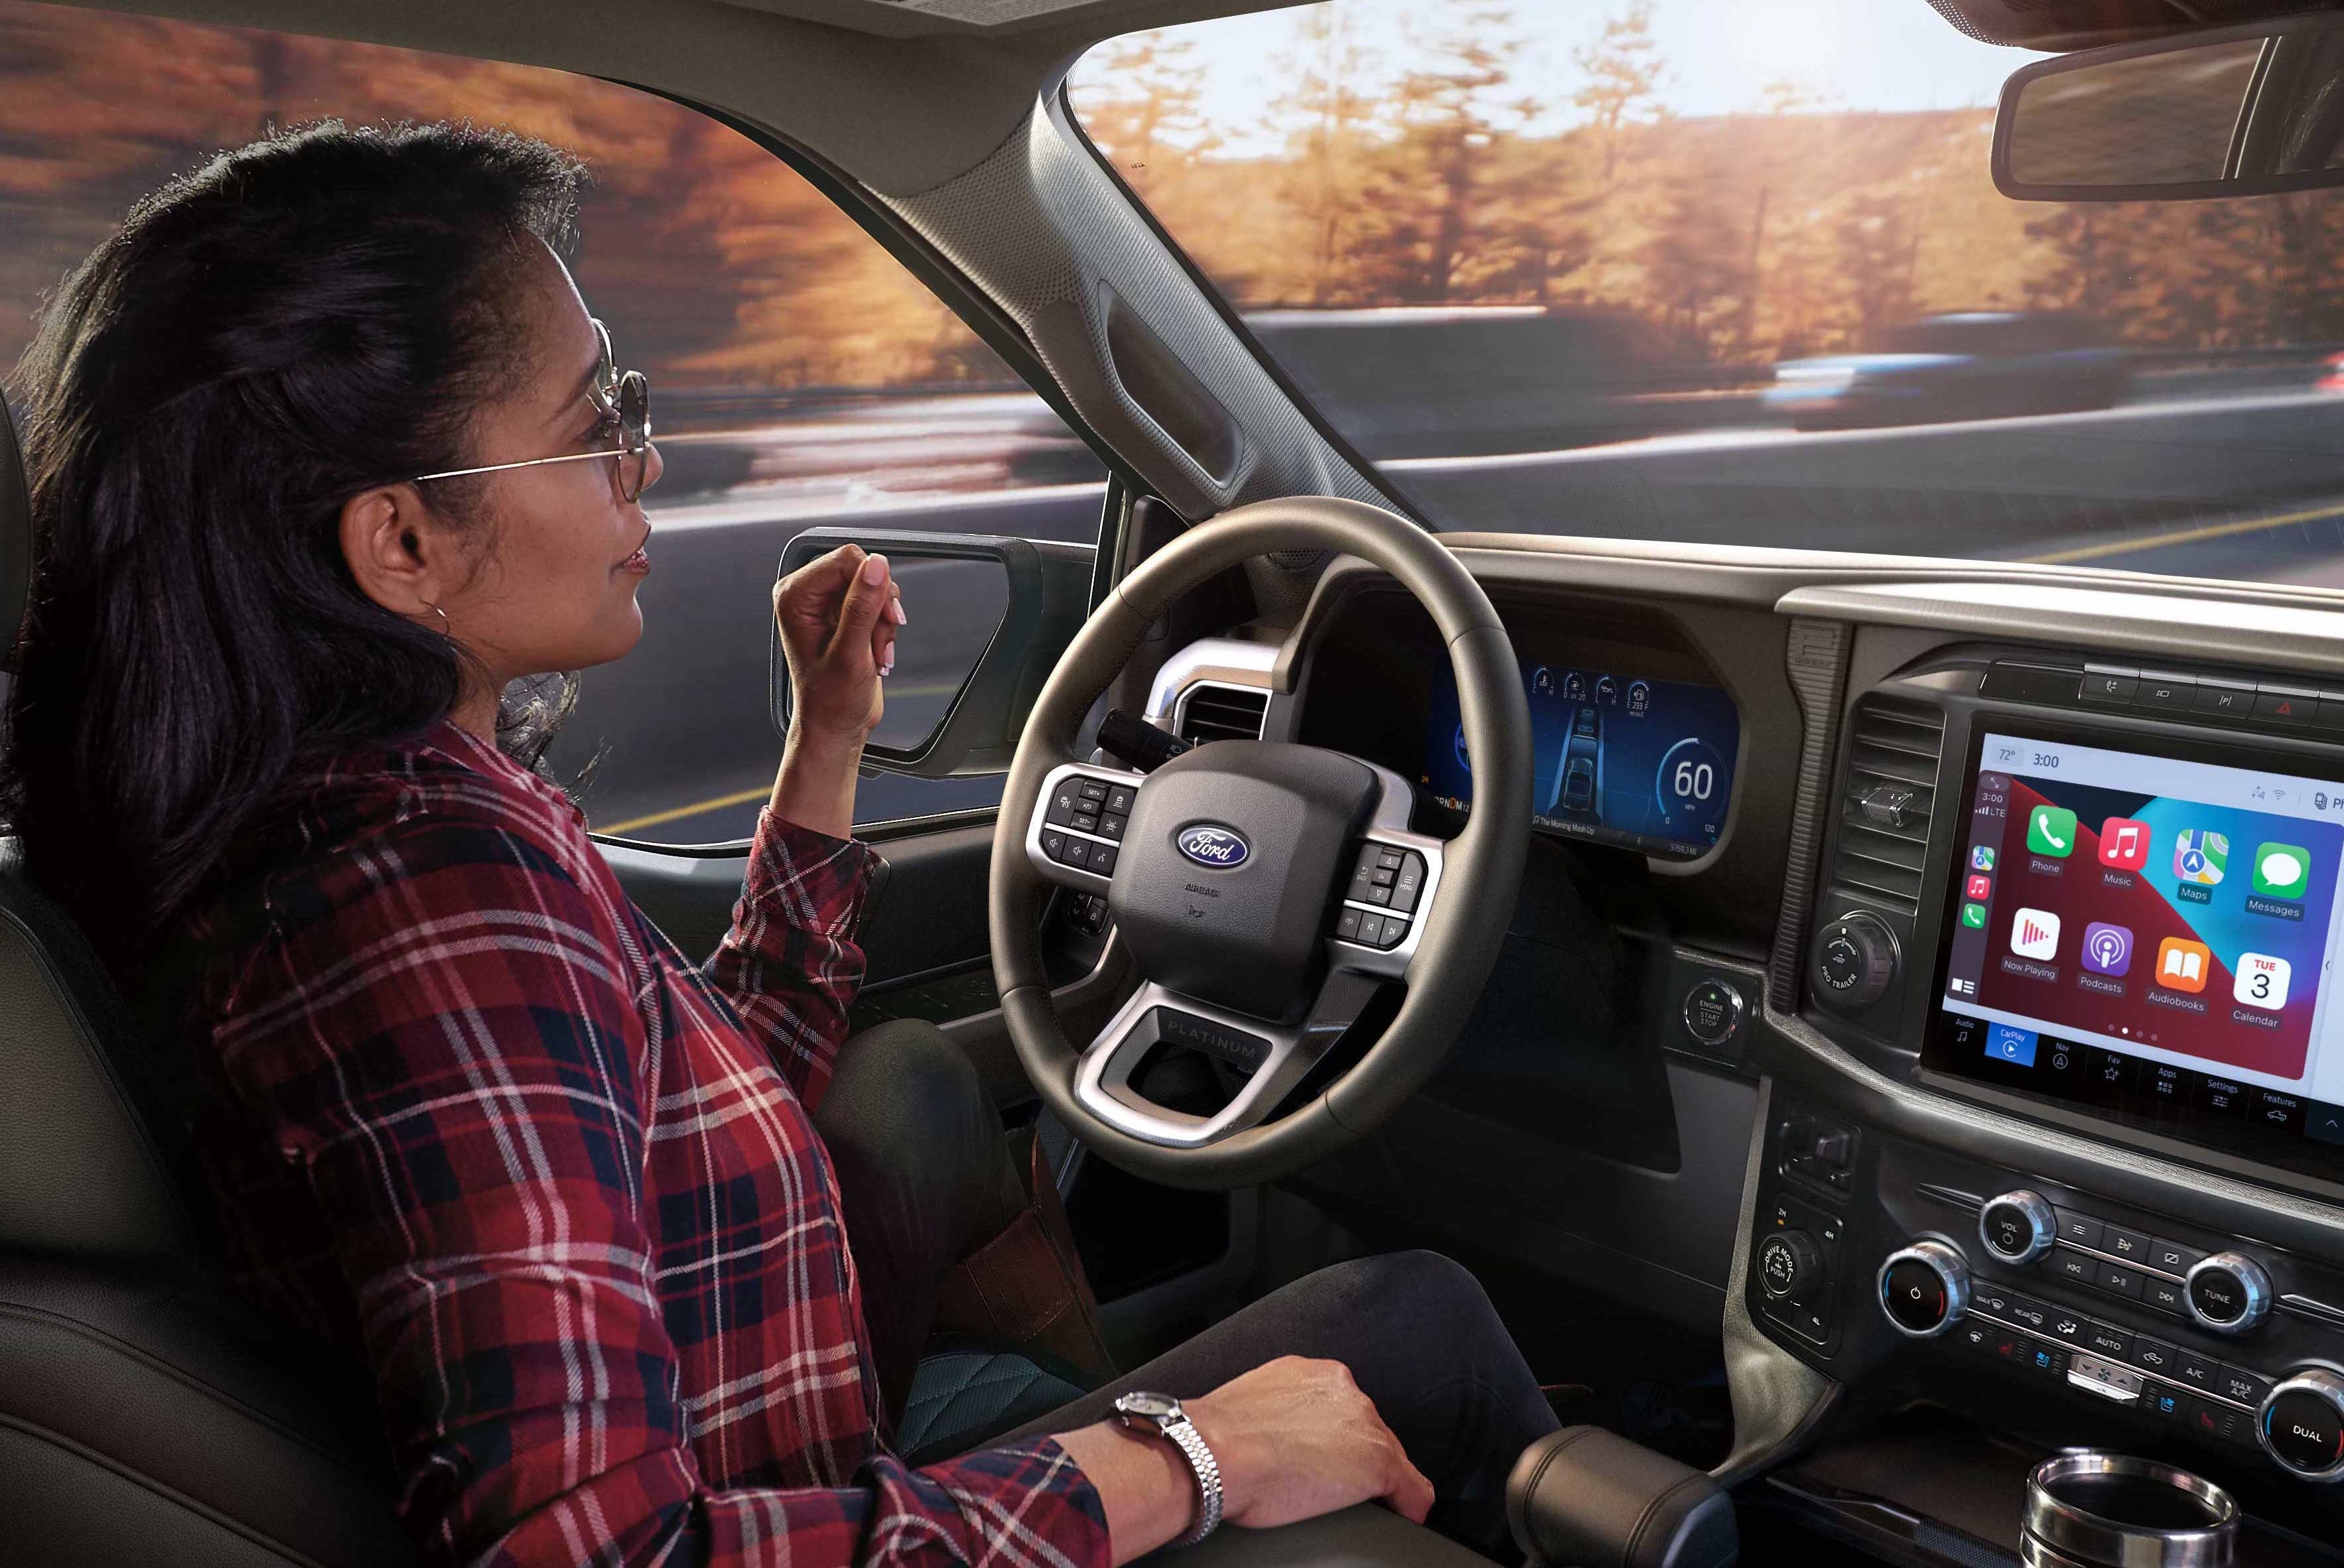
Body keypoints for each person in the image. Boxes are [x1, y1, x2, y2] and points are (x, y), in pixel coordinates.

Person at [0, 121, 1558, 1566]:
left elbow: (667, 1096)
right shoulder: (426, 902)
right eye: (597, 418)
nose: (646, 460)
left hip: (782, 1436)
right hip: (786, 1508)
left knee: (909, 1085)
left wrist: (824, 750)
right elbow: (604, 1552)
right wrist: (1195, 1459)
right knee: (1411, 1319)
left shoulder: (340, 820)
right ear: (400, 543)